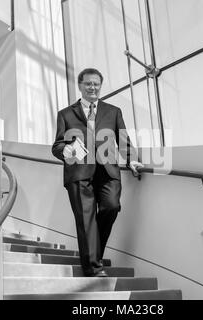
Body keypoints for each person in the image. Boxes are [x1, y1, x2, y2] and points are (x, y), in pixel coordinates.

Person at [52, 68, 143, 277]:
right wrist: (66, 149)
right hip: (78, 173)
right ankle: (93, 267)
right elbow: (57, 145)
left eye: (96, 84)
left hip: (108, 170)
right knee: (86, 219)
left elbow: (123, 140)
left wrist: (133, 160)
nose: (92, 87)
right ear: (80, 85)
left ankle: (93, 252)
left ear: (100, 86)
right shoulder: (66, 114)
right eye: (88, 84)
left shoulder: (113, 112)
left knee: (111, 206)